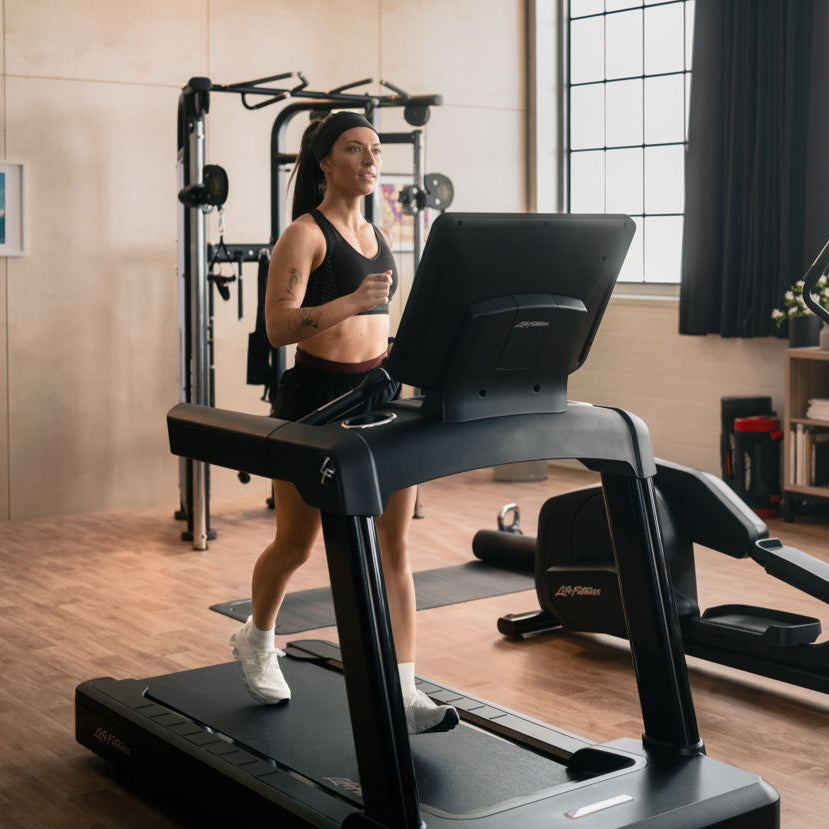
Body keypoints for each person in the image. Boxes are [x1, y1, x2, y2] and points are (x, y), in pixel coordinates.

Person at [229, 111, 459, 735]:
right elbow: (277, 327)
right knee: (297, 545)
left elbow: (381, 325)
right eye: (355, 150)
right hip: (315, 400)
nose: (370, 160)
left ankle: (405, 691)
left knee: (395, 546)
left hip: (379, 395)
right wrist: (351, 303)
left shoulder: (380, 232)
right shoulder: (304, 235)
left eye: (376, 151)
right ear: (325, 162)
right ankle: (256, 637)